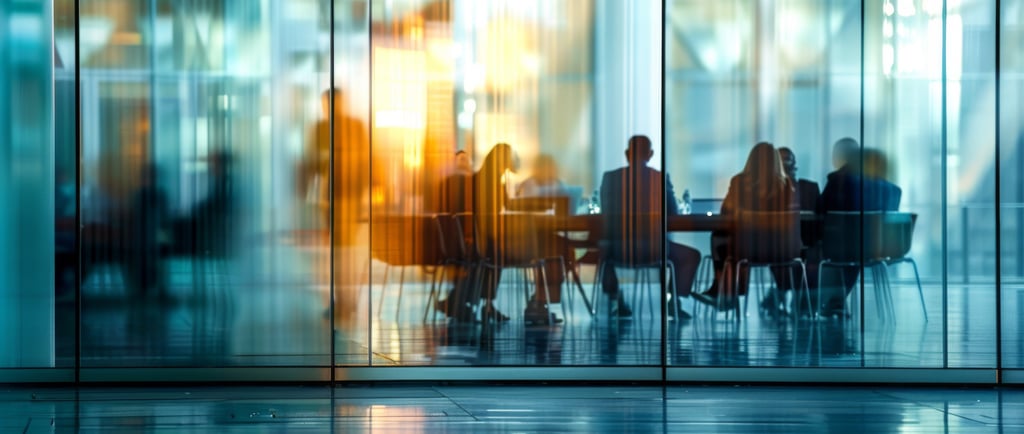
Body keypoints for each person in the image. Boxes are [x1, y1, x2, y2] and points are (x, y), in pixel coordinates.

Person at [598, 135, 700, 319]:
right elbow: (673, 214)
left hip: (619, 250)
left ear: (627, 153)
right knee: (691, 256)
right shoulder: (659, 179)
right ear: (651, 154)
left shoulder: (611, 178)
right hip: (655, 250)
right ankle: (673, 301)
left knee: (604, 251)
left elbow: (606, 213)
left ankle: (615, 298)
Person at [694, 142, 799, 311]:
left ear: (751, 161)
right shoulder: (788, 186)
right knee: (725, 241)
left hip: (746, 251)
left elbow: (726, 212)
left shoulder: (739, 182)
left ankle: (724, 291)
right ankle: (726, 292)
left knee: (719, 237)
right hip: (781, 252)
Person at [817, 141, 901, 316]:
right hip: (877, 249)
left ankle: (822, 302)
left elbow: (819, 210)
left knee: (822, 248)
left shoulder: (837, 183)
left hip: (843, 248)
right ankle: (834, 301)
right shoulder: (891, 190)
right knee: (853, 246)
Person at [778, 147, 820, 212]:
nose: (783, 163)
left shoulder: (810, 189)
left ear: (794, 164)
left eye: (786, 159)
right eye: (779, 161)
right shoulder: (768, 191)